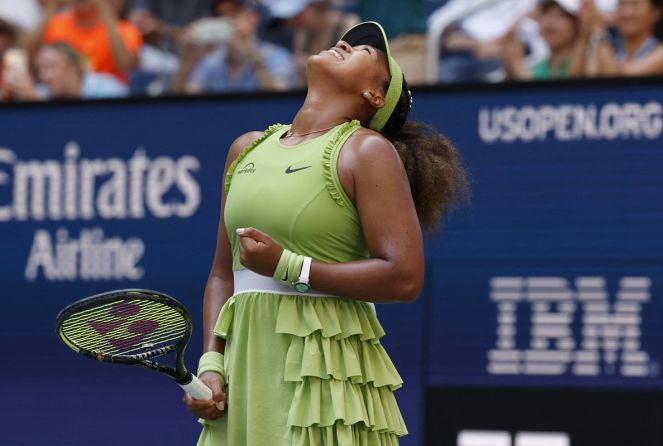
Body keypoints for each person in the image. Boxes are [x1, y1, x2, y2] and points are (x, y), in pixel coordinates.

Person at [183, 21, 470, 445]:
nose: (343, 43)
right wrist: (212, 361)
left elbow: (404, 277)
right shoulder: (245, 149)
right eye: (348, 41)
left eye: (363, 52)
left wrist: (288, 266)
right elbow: (224, 274)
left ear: (374, 95)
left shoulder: (366, 151)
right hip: (244, 370)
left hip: (325, 376)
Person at [173, 0, 297, 93]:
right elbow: (182, 104)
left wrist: (255, 57)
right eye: (219, 15)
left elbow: (279, 104)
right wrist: (186, 62)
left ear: (253, 18)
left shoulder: (278, 56)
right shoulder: (211, 62)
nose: (227, 20)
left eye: (234, 13)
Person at [25, 0, 142, 84]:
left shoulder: (126, 30)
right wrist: (52, 8)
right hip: (65, 95)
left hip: (110, 99)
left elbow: (126, 66)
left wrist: (105, 8)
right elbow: (27, 55)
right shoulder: (57, 24)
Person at [575, 0, 663, 76]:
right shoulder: (613, 51)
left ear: (656, 13)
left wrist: (598, 29)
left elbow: (618, 82)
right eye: (621, 5)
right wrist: (585, 30)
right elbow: (573, 81)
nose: (626, 13)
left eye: (635, 5)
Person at [6, 42, 128, 100]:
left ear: (74, 68)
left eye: (52, 66)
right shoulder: (41, 92)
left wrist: (39, 102)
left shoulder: (107, 88)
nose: (45, 76)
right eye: (41, 69)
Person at [503, 0, 581, 80]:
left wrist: (517, 65)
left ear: (577, 24)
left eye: (561, 15)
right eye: (545, 13)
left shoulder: (585, 64)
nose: (550, 21)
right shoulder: (534, 66)